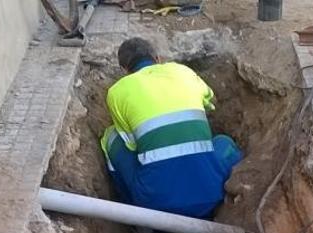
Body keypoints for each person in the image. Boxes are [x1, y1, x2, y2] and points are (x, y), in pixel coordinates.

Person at [100, 37, 242, 222]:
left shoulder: (117, 92)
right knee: (224, 143)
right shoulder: (182, 71)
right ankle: (220, 211)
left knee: (110, 137)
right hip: (209, 194)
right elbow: (210, 102)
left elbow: (132, 146)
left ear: (124, 70)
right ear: (158, 58)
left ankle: (138, 221)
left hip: (154, 204)